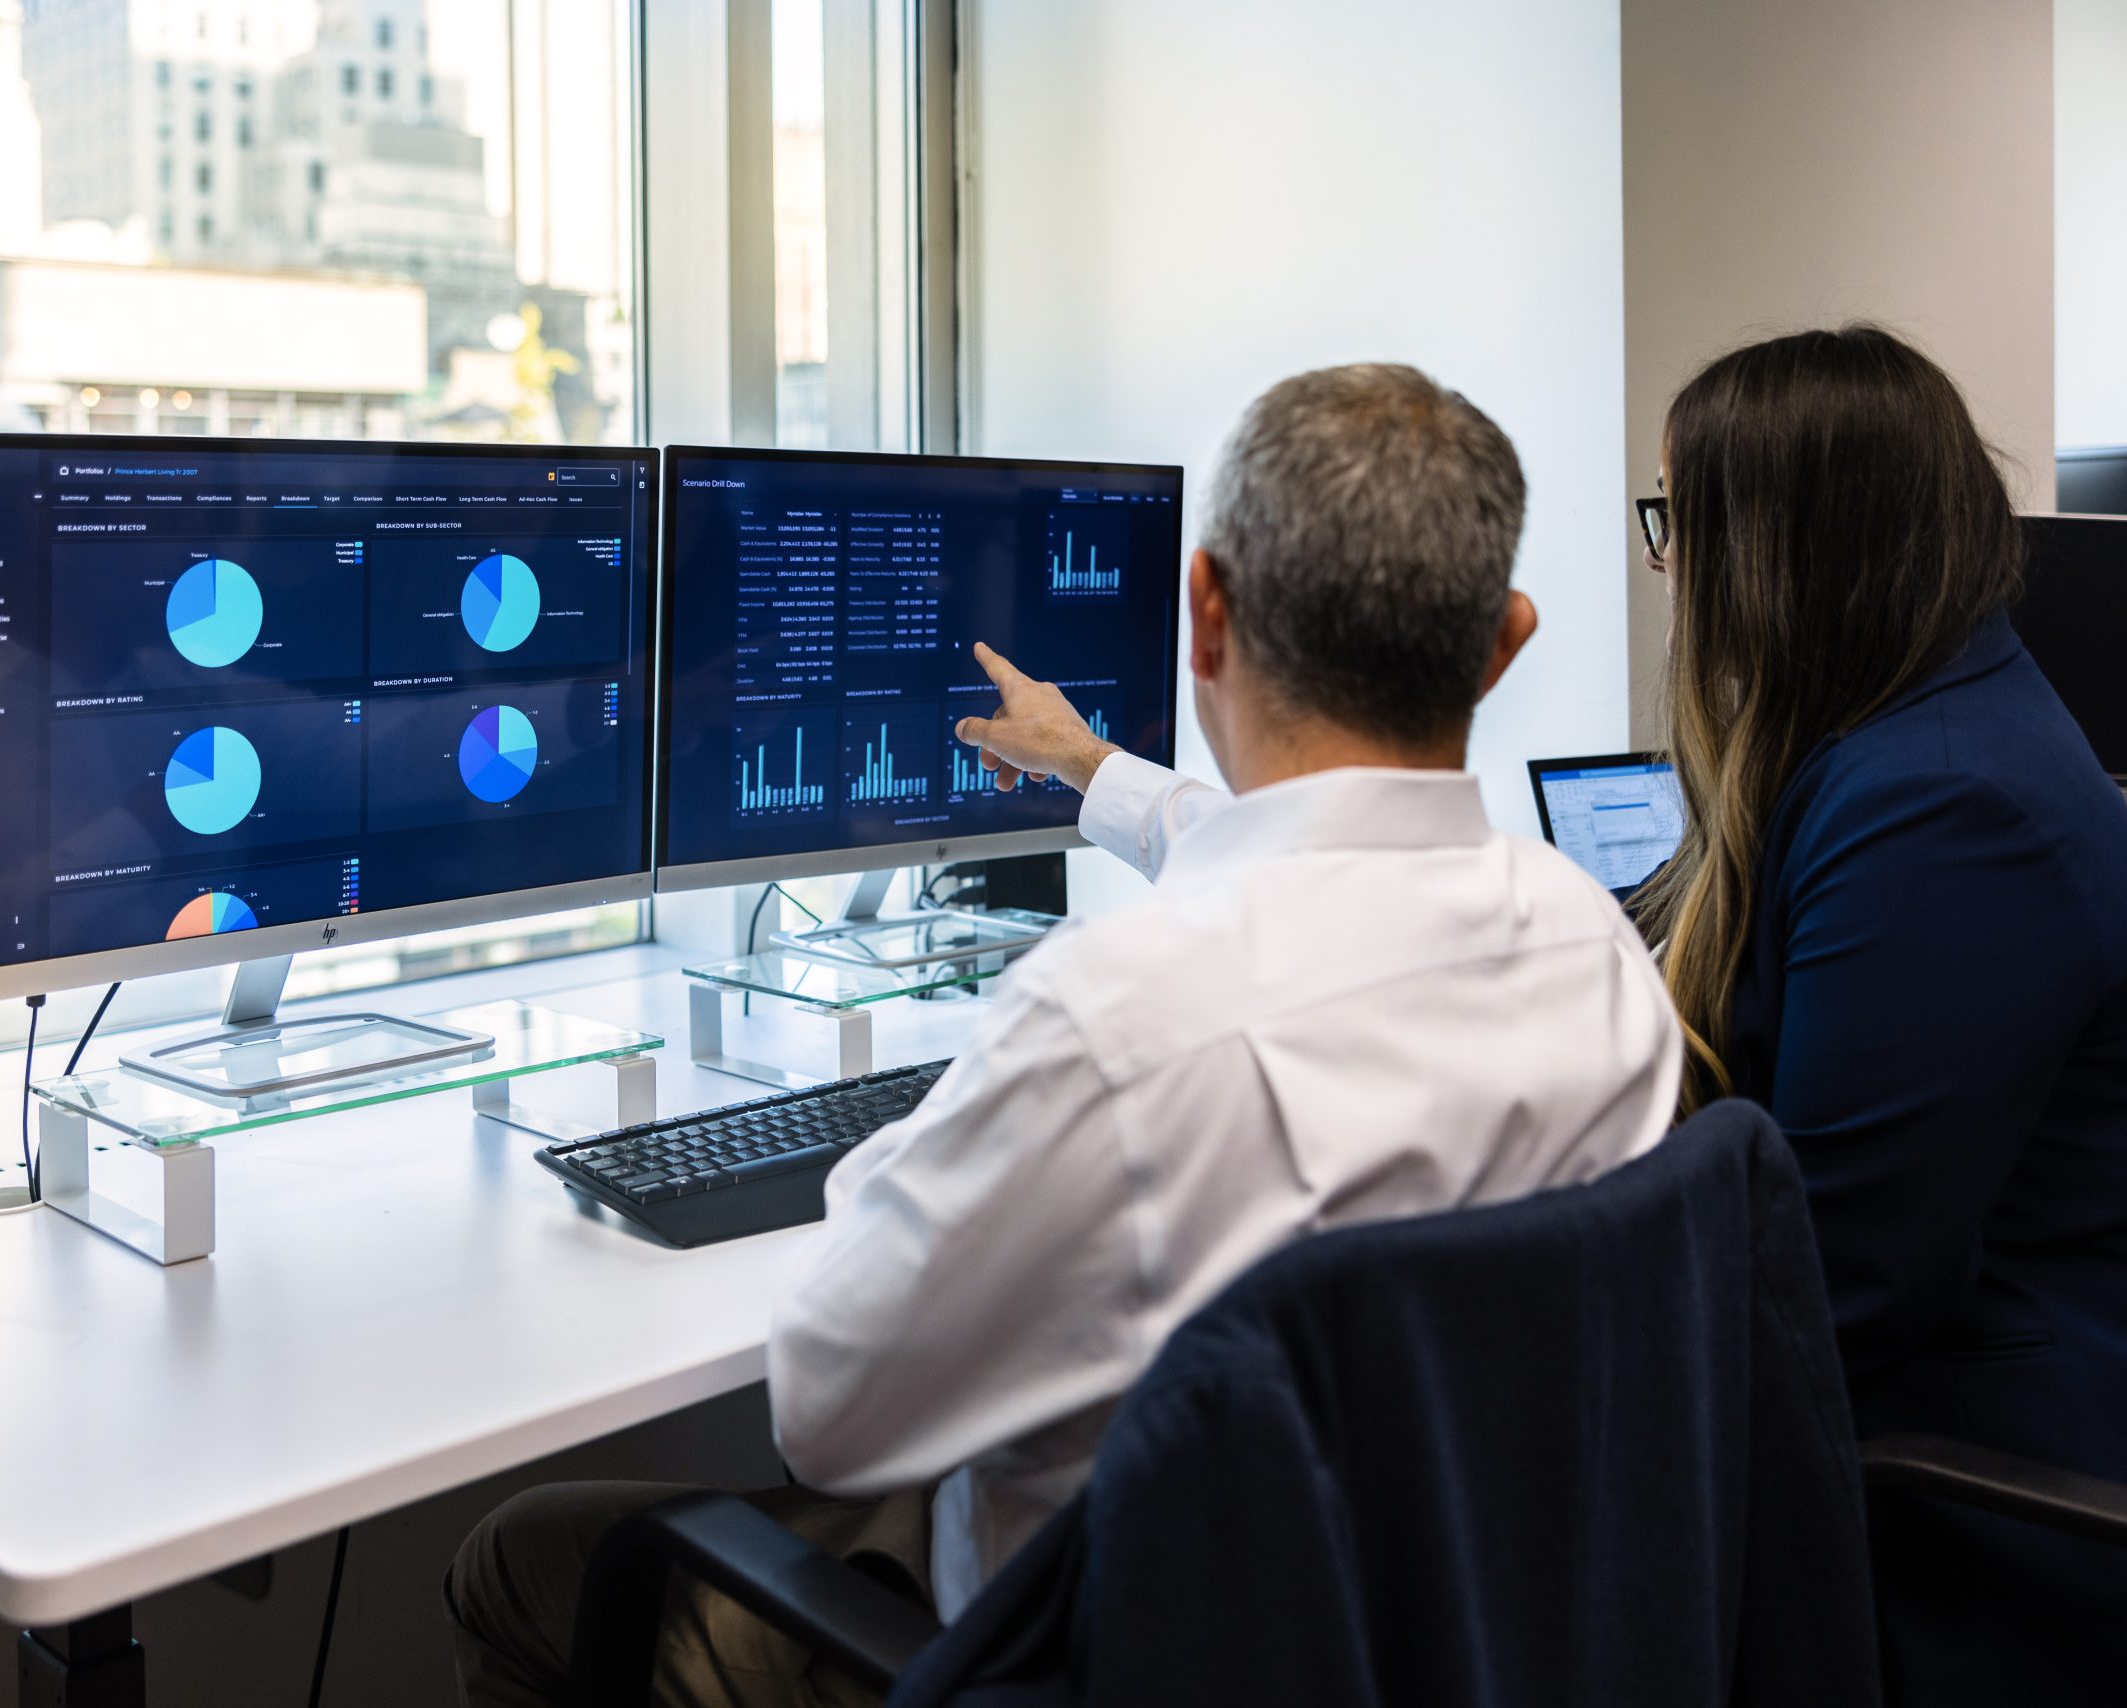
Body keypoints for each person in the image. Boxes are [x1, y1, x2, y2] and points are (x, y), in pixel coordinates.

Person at [443, 364, 1684, 1707]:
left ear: (1203, 614)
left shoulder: (1120, 1023)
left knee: (523, 1559)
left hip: (1089, 1653)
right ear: (1506, 640)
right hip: (1450, 1638)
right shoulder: (1597, 958)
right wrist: (1099, 770)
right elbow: (1317, 882)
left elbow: (825, 1412)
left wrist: (930, 1127)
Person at [1630, 325, 2127, 1703]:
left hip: (1977, 1495)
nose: (1667, 568)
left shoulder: (1945, 807)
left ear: (1781, 542)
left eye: (1677, 520)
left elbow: (1839, 1284)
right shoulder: (1908, 736)